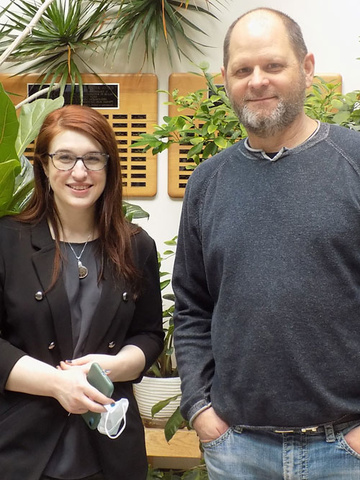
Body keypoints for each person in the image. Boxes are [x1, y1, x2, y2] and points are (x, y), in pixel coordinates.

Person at [173, 7, 360, 479]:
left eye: (273, 65)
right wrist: (200, 409)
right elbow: (192, 306)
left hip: (345, 450)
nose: (257, 81)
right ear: (226, 80)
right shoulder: (207, 182)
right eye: (243, 70)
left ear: (307, 67)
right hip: (237, 450)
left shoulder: (354, 162)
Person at [0, 104, 164, 480]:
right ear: (43, 164)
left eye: (93, 158)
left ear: (109, 166)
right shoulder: (7, 241)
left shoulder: (137, 246)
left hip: (111, 450)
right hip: (21, 450)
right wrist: (58, 384)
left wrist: (117, 365)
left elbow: (149, 334)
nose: (79, 172)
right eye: (65, 157)